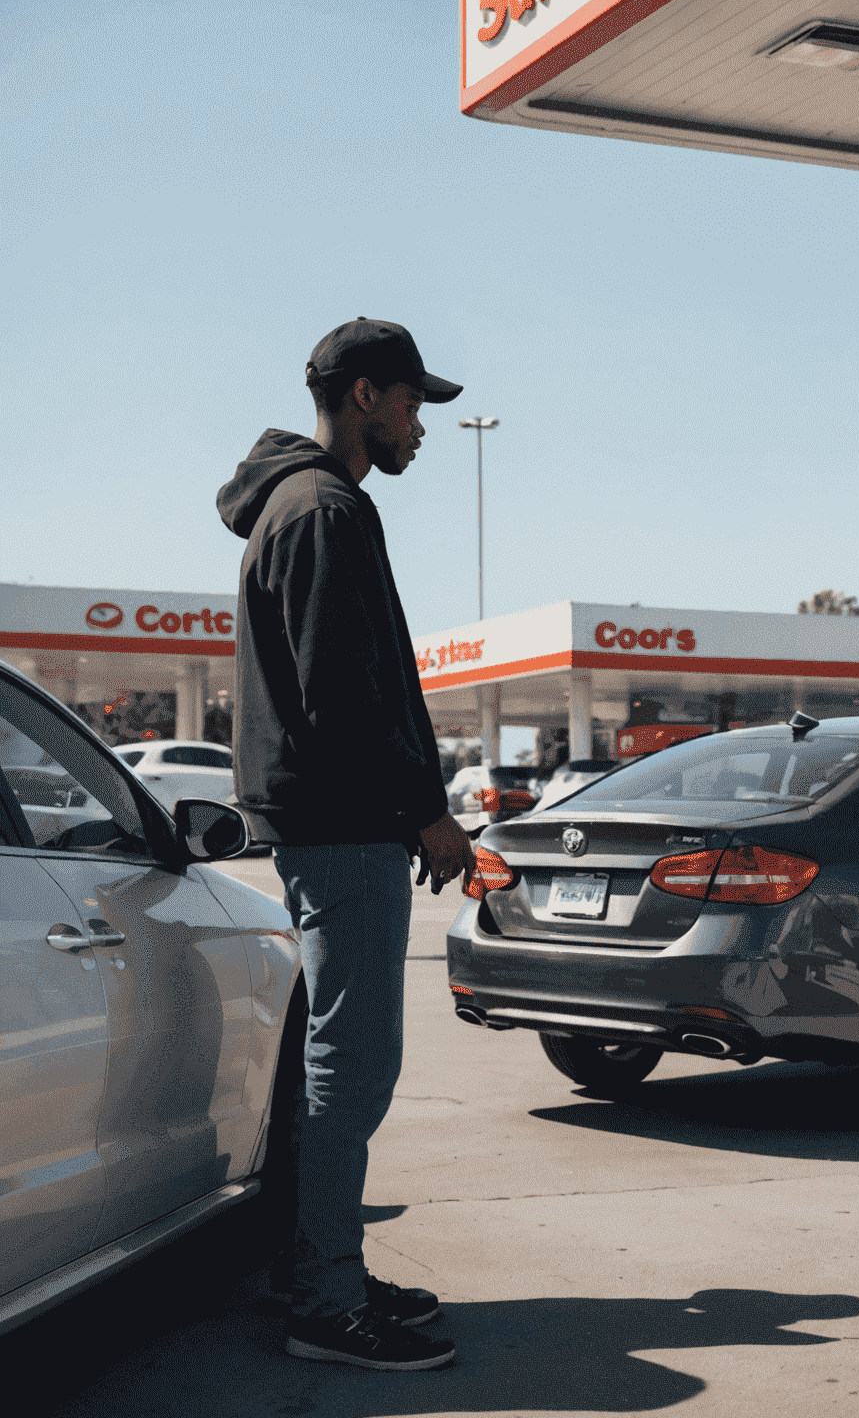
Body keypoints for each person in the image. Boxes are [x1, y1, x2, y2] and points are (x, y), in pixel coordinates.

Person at [216, 317, 477, 1371]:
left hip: (328, 827)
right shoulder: (325, 510)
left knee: (339, 1059)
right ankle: (326, 1301)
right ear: (366, 396)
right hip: (347, 828)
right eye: (414, 404)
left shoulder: (296, 504)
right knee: (351, 1067)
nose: (421, 426)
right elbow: (345, 698)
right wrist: (424, 806)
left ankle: (321, 1266)